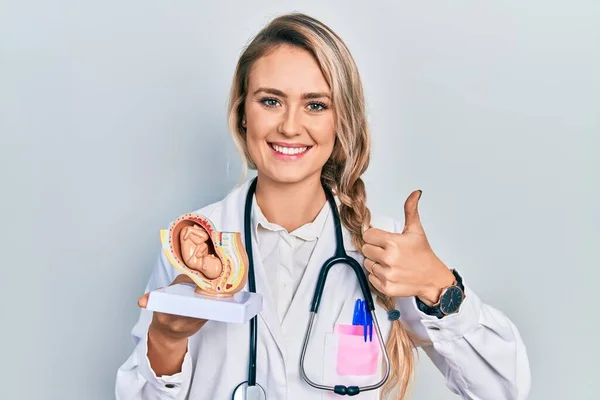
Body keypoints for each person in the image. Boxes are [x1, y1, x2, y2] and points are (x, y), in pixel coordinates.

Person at [115, 12, 530, 400]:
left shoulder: (384, 253)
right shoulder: (196, 241)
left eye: (316, 104)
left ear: (340, 120)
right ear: (243, 113)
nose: (291, 126)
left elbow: (504, 388)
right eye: (270, 101)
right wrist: (165, 341)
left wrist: (438, 286)